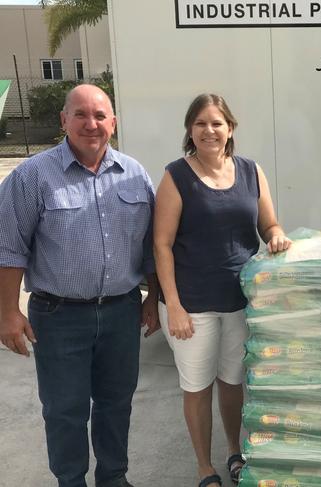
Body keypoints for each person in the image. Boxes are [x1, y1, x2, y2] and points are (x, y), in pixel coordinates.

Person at [0, 84, 160, 487]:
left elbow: (150, 246)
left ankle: (113, 477)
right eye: (81, 115)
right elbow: (8, 248)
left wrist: (153, 297)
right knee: (65, 410)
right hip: (58, 317)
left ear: (113, 123)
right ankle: (70, 481)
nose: (92, 124)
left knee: (116, 404)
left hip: (122, 311)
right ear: (64, 120)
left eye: (100, 116)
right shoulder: (32, 177)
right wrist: (7, 313)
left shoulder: (135, 174)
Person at [154, 93, 291, 487]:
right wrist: (174, 306)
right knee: (197, 387)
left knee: (233, 382)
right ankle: (204, 466)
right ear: (190, 131)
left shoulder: (250, 171)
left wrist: (277, 235)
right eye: (200, 123)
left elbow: (269, 225)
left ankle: (234, 451)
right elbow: (161, 243)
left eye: (216, 123)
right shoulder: (176, 176)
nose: (209, 130)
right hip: (192, 306)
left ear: (230, 128)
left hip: (240, 301)